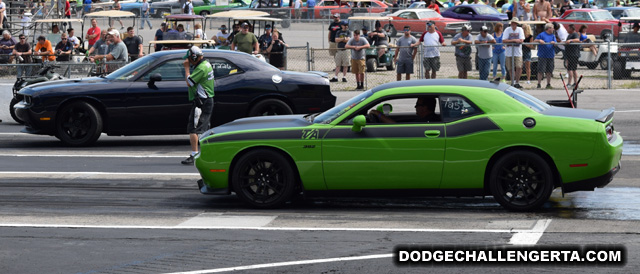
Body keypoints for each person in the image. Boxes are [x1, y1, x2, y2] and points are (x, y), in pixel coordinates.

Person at [181, 46, 215, 165]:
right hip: (207, 100)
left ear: (194, 57)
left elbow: (189, 82)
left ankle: (194, 155)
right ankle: (209, 154)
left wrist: (186, 69)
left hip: (202, 102)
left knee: (193, 129)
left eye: (189, 59)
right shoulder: (206, 64)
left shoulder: (201, 68)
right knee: (204, 129)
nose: (188, 62)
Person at [368, 96, 441, 124]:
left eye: (417, 104)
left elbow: (396, 127)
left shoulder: (424, 122)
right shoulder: (430, 119)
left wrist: (378, 114)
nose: (415, 107)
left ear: (425, 108)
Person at [503, 18, 524, 88]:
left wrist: (510, 40)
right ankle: (513, 82)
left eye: (514, 23)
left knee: (519, 66)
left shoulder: (520, 30)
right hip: (509, 52)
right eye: (512, 23)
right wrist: (515, 40)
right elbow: (504, 40)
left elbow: (521, 40)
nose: (513, 24)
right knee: (510, 68)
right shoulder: (507, 30)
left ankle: (517, 82)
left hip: (518, 52)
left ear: (517, 24)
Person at [535, 23, 556, 89]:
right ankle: (539, 84)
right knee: (540, 71)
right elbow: (535, 40)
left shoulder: (553, 36)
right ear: (548, 28)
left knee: (549, 71)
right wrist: (539, 40)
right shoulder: (542, 34)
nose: (553, 29)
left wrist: (554, 43)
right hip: (542, 55)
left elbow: (556, 44)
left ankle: (548, 83)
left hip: (550, 55)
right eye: (552, 28)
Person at [565, 24, 581, 88]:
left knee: (571, 69)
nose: (567, 29)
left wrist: (571, 40)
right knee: (573, 69)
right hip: (569, 54)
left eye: (568, 28)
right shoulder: (569, 35)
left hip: (573, 54)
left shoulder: (575, 34)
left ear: (571, 29)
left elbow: (577, 40)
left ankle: (569, 83)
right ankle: (575, 83)